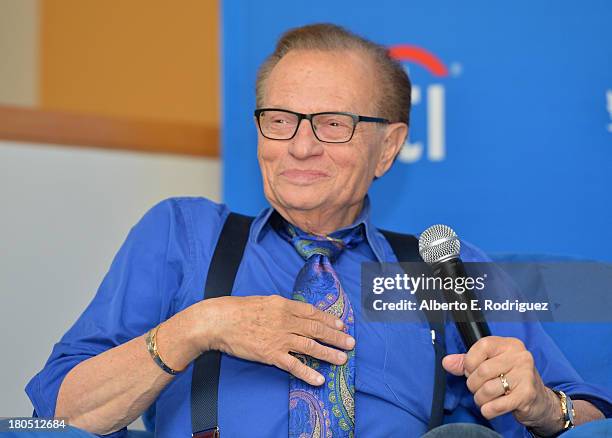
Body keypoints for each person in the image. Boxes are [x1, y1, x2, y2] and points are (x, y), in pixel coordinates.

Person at [25, 23, 611, 438]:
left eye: (333, 124)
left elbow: (590, 417)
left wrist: (544, 407)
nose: (299, 146)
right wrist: (200, 326)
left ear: (388, 147)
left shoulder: (441, 270)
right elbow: (58, 413)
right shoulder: (184, 235)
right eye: (279, 121)